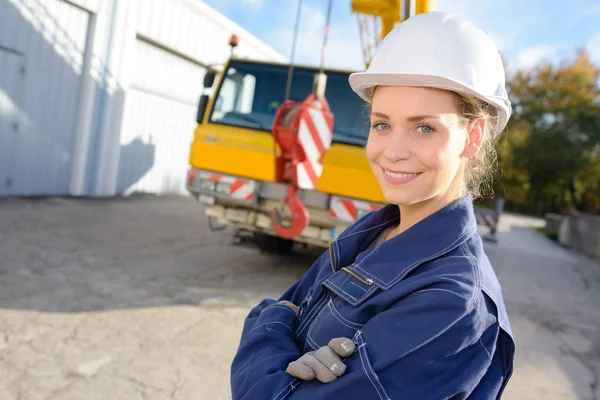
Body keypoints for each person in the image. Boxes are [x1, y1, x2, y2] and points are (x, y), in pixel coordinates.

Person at [230, 11, 515, 400]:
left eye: (424, 127)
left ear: (473, 137)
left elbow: (272, 320)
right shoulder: (371, 232)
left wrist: (273, 324)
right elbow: (283, 308)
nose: (392, 152)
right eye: (382, 124)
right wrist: (282, 329)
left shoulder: (452, 304)